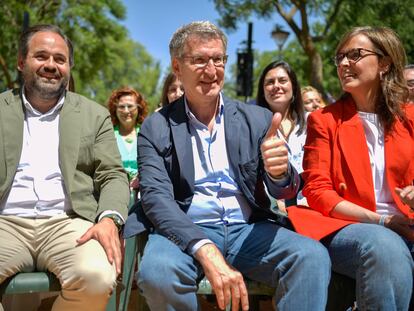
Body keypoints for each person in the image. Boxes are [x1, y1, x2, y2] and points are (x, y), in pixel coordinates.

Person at [124, 21, 330, 311]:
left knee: (311, 257)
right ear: (176, 66)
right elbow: (157, 200)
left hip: (248, 229)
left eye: (218, 59)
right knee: (157, 273)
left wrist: (280, 174)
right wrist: (205, 250)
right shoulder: (156, 127)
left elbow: (287, 192)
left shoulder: (256, 119)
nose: (211, 71)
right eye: (199, 60)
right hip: (184, 229)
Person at [0, 24, 129, 311]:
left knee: (97, 275)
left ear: (69, 66)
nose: (51, 65)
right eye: (41, 56)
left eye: (60, 59)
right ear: (22, 62)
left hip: (68, 222)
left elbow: (112, 174)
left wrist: (109, 219)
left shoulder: (93, 115)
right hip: (4, 221)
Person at [288, 26, 414, 310]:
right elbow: (318, 192)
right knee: (384, 246)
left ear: (384, 63)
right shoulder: (324, 120)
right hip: (349, 227)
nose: (344, 63)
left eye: (355, 55)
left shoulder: (410, 117)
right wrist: (381, 221)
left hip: (406, 224)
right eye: (340, 57)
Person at [256, 61, 307, 207]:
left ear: (294, 87)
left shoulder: (313, 121)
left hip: (313, 206)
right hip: (274, 211)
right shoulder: (253, 128)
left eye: (283, 80)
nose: (276, 86)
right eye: (270, 82)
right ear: (262, 91)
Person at [107, 87, 148, 190]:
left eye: (130, 106)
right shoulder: (108, 135)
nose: (126, 111)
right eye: (121, 107)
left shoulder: (147, 134)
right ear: (114, 110)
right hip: (114, 189)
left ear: (139, 108)